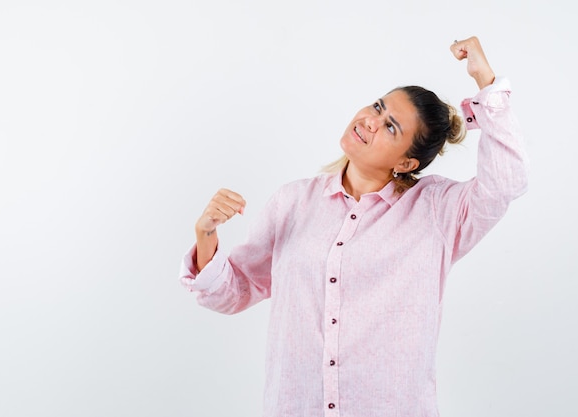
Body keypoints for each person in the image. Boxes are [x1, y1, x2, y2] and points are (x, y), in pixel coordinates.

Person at [179, 36, 529, 417]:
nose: (370, 122)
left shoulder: (436, 211)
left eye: (390, 127)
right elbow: (234, 292)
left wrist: (486, 81)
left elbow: (505, 183)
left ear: (407, 164)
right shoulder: (293, 202)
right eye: (378, 107)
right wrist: (207, 235)